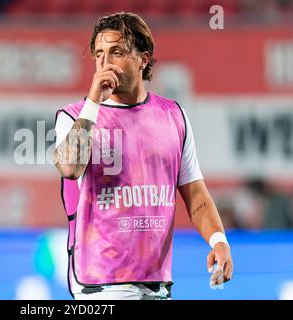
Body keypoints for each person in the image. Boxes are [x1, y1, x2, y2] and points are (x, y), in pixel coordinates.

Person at [53, 12, 233, 300]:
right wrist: (94, 102)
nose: (105, 62)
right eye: (99, 53)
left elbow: (195, 192)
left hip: (157, 283)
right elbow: (69, 168)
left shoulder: (174, 116)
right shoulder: (74, 116)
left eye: (117, 52)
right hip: (102, 282)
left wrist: (219, 240)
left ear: (144, 59)